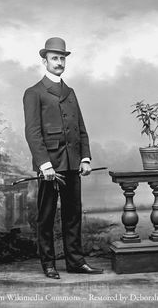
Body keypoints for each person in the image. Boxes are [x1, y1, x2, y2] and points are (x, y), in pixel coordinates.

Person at [23, 37, 103, 279]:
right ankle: (48, 264)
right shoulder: (33, 92)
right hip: (50, 166)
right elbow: (33, 132)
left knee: (73, 214)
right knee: (46, 216)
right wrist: (44, 164)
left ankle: (76, 262)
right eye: (54, 58)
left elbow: (80, 128)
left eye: (62, 58)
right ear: (44, 60)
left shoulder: (70, 92)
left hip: (72, 163)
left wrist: (85, 158)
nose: (59, 62)